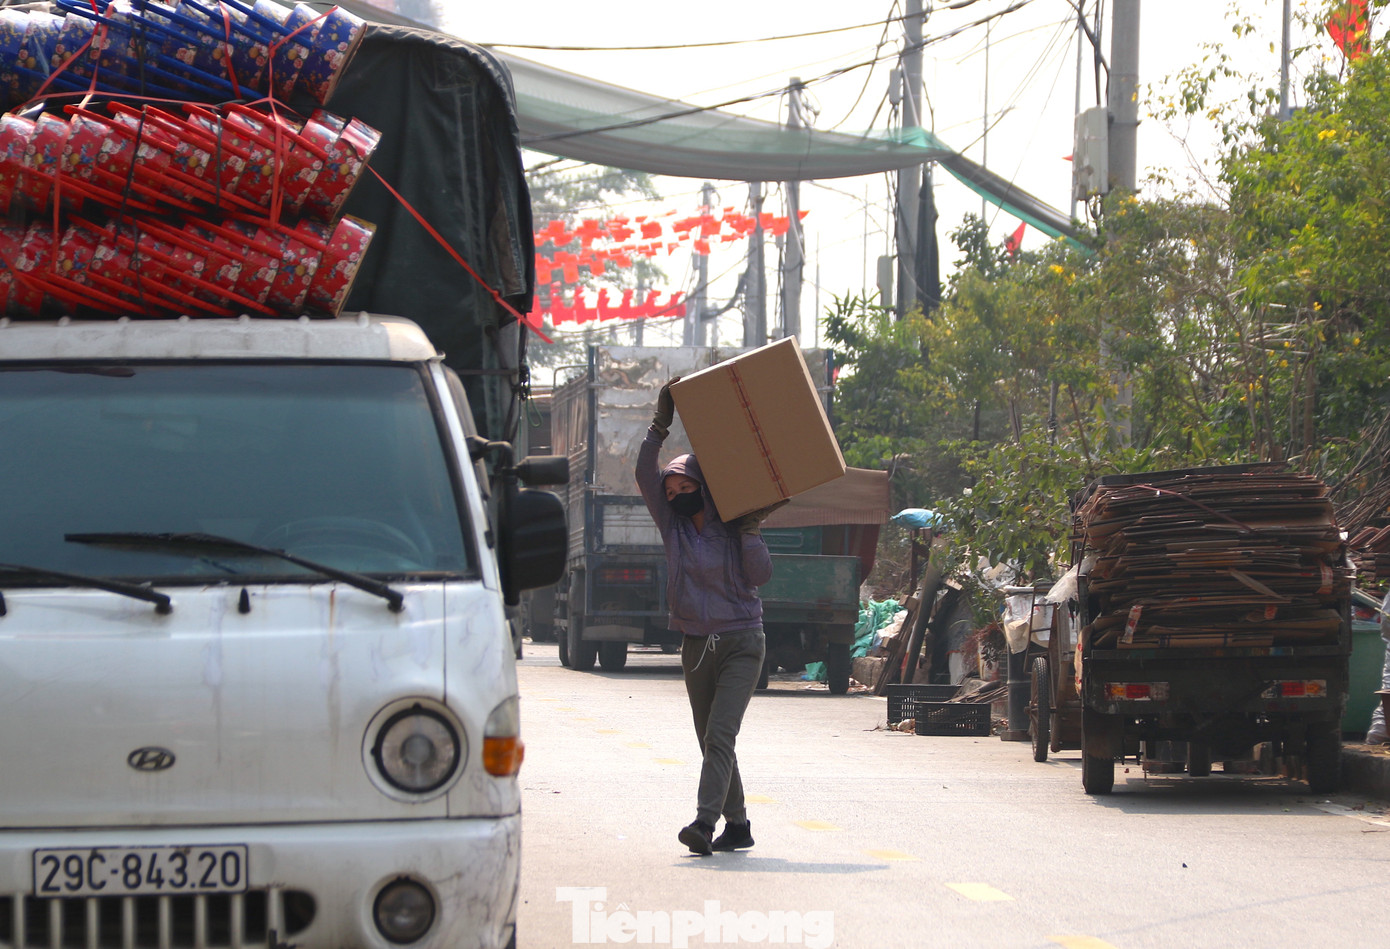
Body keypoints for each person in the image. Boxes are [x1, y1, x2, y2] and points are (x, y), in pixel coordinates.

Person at [636, 378, 781, 855]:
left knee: (720, 733)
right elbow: (644, 474)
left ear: (705, 487)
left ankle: (704, 822)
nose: (677, 493)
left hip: (742, 641)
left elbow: (759, 576)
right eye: (672, 488)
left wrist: (752, 532)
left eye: (687, 485)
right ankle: (738, 826)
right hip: (696, 645)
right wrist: (661, 425)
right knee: (710, 739)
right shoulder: (672, 526)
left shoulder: (735, 520)